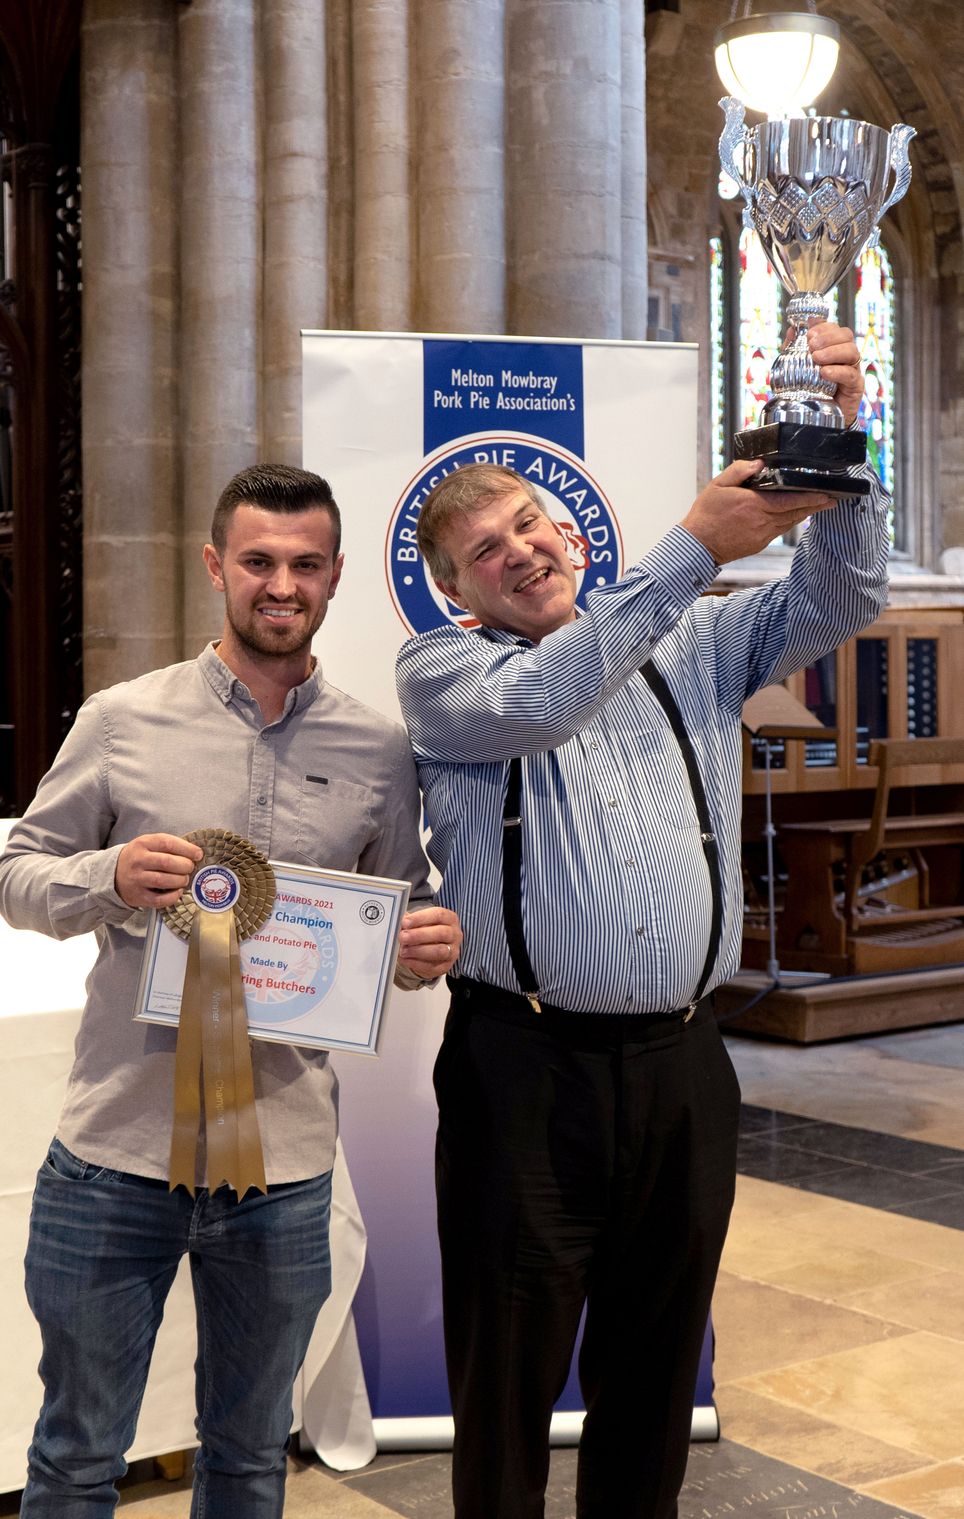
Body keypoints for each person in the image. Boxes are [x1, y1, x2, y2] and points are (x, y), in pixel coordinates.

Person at [394, 322, 889, 1519]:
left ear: (562, 526)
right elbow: (553, 695)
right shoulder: (444, 676)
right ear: (453, 587)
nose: (516, 553)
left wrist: (840, 449)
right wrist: (690, 545)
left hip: (679, 1062)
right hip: (523, 1068)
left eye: (526, 525)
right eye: (482, 551)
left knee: (654, 1367)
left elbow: (846, 591)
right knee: (508, 1377)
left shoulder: (699, 640)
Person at [0, 463, 461, 1519]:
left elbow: (396, 905)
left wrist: (421, 939)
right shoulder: (121, 720)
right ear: (217, 567)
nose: (280, 583)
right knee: (74, 1455)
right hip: (117, 1155)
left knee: (251, 1459)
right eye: (258, 561)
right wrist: (104, 878)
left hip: (285, 1170)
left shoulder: (381, 750)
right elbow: (19, 874)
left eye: (304, 563)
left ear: (335, 575)